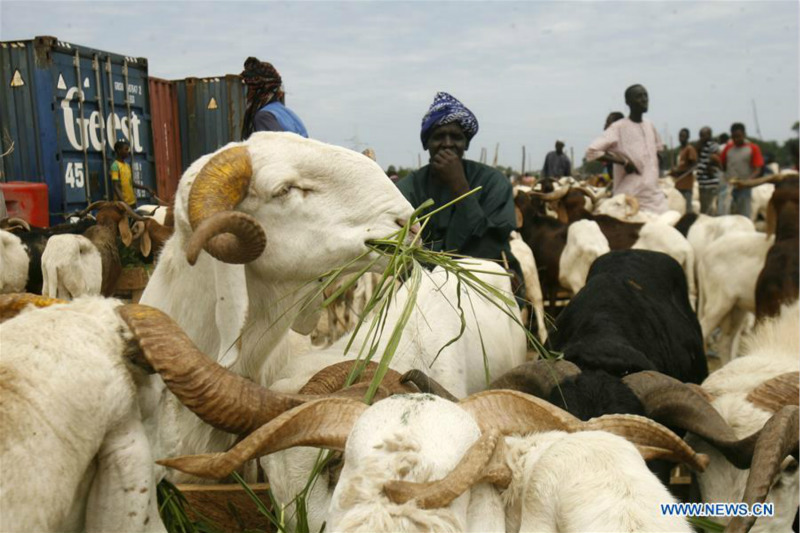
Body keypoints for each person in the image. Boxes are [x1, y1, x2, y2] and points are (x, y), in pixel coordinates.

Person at [396, 92, 517, 264]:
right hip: (422, 278)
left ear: (466, 143)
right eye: (438, 137)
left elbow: (490, 248)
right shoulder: (408, 189)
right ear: (426, 143)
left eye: (456, 137)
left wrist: (460, 187)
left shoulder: (494, 183)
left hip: (485, 273)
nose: (447, 143)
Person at [585, 85, 668, 214]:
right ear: (628, 102)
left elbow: (658, 150)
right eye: (639, 96)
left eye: (645, 95)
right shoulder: (618, 127)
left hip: (655, 199)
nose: (644, 99)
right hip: (630, 200)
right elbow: (592, 152)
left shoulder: (650, 125)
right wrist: (623, 161)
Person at [240, 57, 308, 140]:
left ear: (256, 90)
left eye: (248, 88)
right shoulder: (289, 114)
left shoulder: (264, 116)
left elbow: (276, 150)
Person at [719, 123, 764, 218]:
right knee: (726, 214)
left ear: (744, 135)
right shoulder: (728, 148)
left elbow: (758, 169)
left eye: (739, 136)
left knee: (744, 215)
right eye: (734, 137)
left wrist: (747, 181)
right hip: (729, 187)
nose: (736, 139)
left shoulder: (752, 148)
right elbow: (722, 165)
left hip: (744, 187)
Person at [110, 140, 149, 209]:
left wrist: (146, 188)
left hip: (132, 203)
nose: (128, 152)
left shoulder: (127, 166)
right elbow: (115, 186)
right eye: (126, 149)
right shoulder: (115, 166)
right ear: (119, 151)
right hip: (122, 205)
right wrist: (124, 203)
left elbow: (132, 183)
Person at [669, 128, 698, 213]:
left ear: (688, 137)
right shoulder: (680, 150)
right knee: (679, 208)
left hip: (686, 185)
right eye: (680, 136)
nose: (681, 138)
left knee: (687, 209)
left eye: (683, 136)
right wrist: (674, 172)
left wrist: (679, 172)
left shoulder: (689, 149)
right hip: (678, 184)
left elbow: (693, 166)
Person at [694, 126, 721, 215]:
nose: (702, 138)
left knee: (709, 208)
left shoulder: (713, 145)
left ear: (709, 135)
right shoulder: (701, 146)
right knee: (704, 207)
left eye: (704, 135)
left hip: (710, 182)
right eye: (700, 136)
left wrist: (710, 166)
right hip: (703, 182)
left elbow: (716, 158)